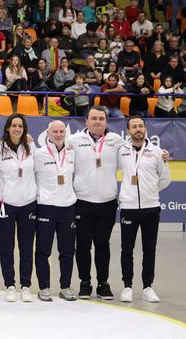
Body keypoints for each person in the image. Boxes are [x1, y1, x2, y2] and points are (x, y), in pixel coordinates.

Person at [66, 106, 124, 300]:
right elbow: (55, 149)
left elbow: (134, 153)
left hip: (107, 202)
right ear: (86, 121)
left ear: (106, 121)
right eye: (94, 118)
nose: (98, 122)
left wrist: (161, 155)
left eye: (101, 118)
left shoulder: (116, 140)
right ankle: (85, 283)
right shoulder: (74, 140)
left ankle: (102, 283)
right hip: (82, 201)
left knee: (102, 244)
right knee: (82, 244)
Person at [118, 116, 170, 303]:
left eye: (140, 126)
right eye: (134, 127)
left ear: (145, 129)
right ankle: (127, 286)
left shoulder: (157, 152)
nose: (138, 129)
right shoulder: (121, 151)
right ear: (128, 131)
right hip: (128, 208)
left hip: (151, 208)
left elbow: (165, 178)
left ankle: (148, 286)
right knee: (127, 249)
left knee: (149, 249)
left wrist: (150, 192)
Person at [0, 114, 37, 303]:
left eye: (20, 126)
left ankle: (26, 286)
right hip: (5, 204)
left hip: (28, 203)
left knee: (26, 247)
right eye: (14, 125)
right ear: (8, 128)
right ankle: (10, 285)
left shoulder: (31, 147)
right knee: (6, 246)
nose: (17, 129)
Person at [33, 120, 78, 302]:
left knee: (67, 251)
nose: (58, 135)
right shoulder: (38, 154)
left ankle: (65, 287)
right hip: (46, 207)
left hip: (67, 208)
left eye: (61, 131)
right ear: (48, 134)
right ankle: (44, 287)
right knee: (43, 250)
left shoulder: (72, 153)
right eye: (55, 132)